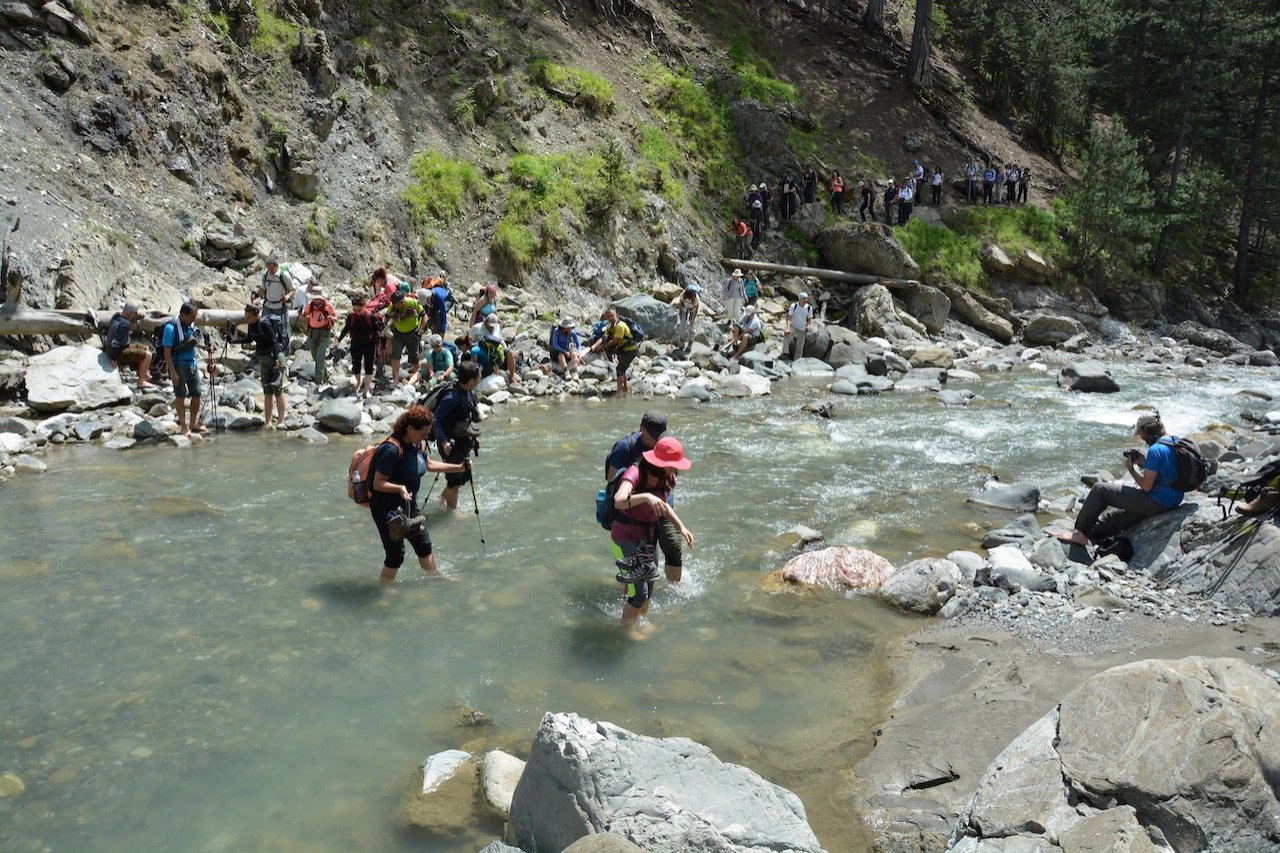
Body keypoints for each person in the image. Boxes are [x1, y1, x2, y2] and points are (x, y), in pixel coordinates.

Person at [1050, 411, 1188, 548]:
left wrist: (1131, 470)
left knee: (1100, 490)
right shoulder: (1173, 441)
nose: (1140, 437)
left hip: (1158, 502)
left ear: (1146, 429)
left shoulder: (1155, 450)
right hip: (1173, 500)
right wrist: (1144, 462)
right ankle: (1092, 534)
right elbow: (1165, 472)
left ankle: (1079, 534)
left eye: (1140, 432)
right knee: (1120, 515)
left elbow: (1146, 487)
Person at [369, 405, 471, 584]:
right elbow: (378, 483)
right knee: (396, 555)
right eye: (424, 433)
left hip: (409, 504)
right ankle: (384, 591)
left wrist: (459, 467)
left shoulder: (418, 445)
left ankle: (435, 577)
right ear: (409, 429)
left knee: (423, 544)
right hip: (386, 507)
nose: (427, 437)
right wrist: (399, 488)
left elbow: (429, 465)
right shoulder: (391, 450)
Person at [610, 435, 694, 627]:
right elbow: (619, 500)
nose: (675, 470)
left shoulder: (667, 478)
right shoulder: (635, 472)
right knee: (638, 594)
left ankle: (640, 623)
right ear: (659, 463)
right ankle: (628, 631)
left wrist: (681, 527)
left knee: (649, 585)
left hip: (647, 538)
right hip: (625, 537)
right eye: (672, 465)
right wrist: (646, 496)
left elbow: (664, 505)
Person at [605, 411, 688, 584]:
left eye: (661, 435)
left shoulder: (665, 446)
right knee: (638, 576)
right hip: (632, 508)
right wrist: (640, 490)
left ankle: (674, 591)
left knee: (673, 545)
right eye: (654, 436)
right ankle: (633, 595)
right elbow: (612, 484)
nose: (658, 440)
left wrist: (681, 526)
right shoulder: (625, 447)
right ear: (642, 429)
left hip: (661, 506)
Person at [434, 361, 482, 511]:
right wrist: (443, 442)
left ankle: (441, 499)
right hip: (450, 444)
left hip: (462, 440)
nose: (481, 377)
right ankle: (451, 513)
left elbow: (466, 417)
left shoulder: (467, 391)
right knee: (455, 482)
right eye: (479, 376)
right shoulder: (452, 396)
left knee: (458, 477)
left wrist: (474, 438)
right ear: (471, 381)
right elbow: (435, 419)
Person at [242, 304, 287, 428]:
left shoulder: (265, 324)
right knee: (267, 390)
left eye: (249, 317)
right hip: (263, 358)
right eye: (245, 317)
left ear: (256, 316)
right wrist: (233, 340)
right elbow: (248, 339)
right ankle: (268, 421)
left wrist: (278, 359)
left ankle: (281, 421)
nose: (246, 320)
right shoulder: (251, 325)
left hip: (274, 357)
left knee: (277, 389)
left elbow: (274, 342)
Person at [163, 302, 204, 436]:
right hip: (178, 365)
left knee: (196, 393)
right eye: (192, 317)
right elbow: (167, 352)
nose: (194, 319)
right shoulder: (170, 328)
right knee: (180, 396)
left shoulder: (190, 325)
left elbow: (191, 342)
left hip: (192, 363)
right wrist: (173, 372)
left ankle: (193, 423)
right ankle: (184, 426)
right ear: (182, 315)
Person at [335, 294, 381, 399]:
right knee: (356, 366)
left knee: (369, 366)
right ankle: (359, 382)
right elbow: (346, 328)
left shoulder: (371, 317)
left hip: (369, 343)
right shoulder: (351, 317)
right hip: (355, 342)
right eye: (354, 310)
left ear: (364, 306)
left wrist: (379, 347)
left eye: (359, 310)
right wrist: (338, 340)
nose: (357, 312)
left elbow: (377, 332)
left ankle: (366, 390)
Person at [105, 300, 155, 390]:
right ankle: (141, 382)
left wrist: (137, 313)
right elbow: (116, 342)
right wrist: (114, 359)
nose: (135, 315)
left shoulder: (116, 316)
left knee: (146, 348)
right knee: (148, 355)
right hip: (119, 351)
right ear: (129, 312)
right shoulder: (125, 324)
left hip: (115, 346)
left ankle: (144, 372)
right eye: (134, 313)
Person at [593, 307, 641, 395]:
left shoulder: (620, 326)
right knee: (623, 369)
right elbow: (604, 337)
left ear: (616, 315)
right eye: (608, 316)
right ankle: (625, 389)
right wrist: (596, 346)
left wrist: (603, 346)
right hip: (622, 349)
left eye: (612, 316)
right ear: (606, 318)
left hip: (631, 349)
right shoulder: (610, 327)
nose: (611, 318)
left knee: (619, 369)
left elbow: (615, 341)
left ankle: (619, 392)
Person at [383, 290, 427, 385]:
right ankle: (395, 379)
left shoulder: (413, 303)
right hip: (398, 334)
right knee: (395, 355)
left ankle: (417, 378)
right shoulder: (392, 306)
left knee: (414, 358)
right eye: (396, 304)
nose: (398, 305)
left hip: (413, 334)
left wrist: (420, 330)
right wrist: (385, 327)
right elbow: (386, 318)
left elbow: (425, 317)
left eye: (400, 303)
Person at [300, 289, 336, 384]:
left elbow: (335, 317)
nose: (315, 301)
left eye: (317, 299)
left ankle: (318, 381)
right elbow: (305, 315)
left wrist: (332, 318)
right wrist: (301, 314)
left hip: (324, 333)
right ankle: (325, 375)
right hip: (312, 332)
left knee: (320, 356)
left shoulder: (328, 306)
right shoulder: (310, 304)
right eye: (314, 299)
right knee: (315, 356)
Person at [256, 257, 294, 347]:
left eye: (271, 268)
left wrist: (287, 296)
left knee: (282, 330)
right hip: (267, 306)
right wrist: (256, 295)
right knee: (264, 327)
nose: (270, 270)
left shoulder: (284, 275)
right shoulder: (265, 275)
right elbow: (263, 289)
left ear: (276, 266)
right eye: (268, 268)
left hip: (280, 307)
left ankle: (284, 351)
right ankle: (267, 350)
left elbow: (292, 290)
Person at [471, 315, 518, 384]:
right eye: (490, 326)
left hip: (497, 350)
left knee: (510, 353)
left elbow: (501, 340)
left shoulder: (497, 328)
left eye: (493, 326)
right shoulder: (477, 328)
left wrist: (506, 349)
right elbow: (470, 340)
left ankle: (512, 377)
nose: (492, 328)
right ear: (486, 321)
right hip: (484, 350)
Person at [783, 292, 813, 361]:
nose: (806, 300)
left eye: (806, 298)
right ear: (800, 299)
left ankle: (797, 361)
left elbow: (809, 319)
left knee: (799, 347)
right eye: (804, 298)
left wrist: (808, 326)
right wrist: (788, 328)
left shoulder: (809, 308)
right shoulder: (794, 306)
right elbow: (789, 318)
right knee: (786, 336)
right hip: (794, 326)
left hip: (802, 328)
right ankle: (785, 353)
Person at [675, 285, 700, 351]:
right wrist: (680, 313)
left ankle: (690, 343)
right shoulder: (683, 295)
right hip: (684, 308)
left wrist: (693, 319)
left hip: (693, 309)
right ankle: (681, 342)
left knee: (692, 326)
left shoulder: (696, 298)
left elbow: (697, 308)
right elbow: (680, 303)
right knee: (682, 325)